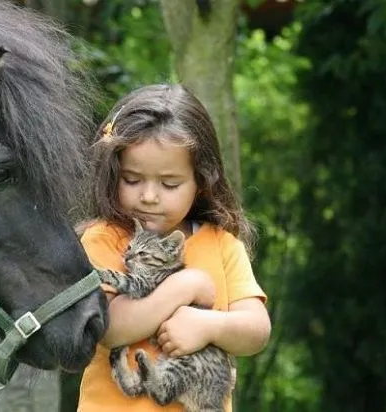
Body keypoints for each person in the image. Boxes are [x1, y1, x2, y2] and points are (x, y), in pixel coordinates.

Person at [77, 84, 271, 412]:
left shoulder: (222, 245)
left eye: (169, 184)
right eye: (132, 179)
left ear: (200, 183)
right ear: (112, 175)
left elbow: (256, 330)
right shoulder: (104, 239)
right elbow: (112, 328)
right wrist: (185, 286)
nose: (149, 196)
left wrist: (209, 326)